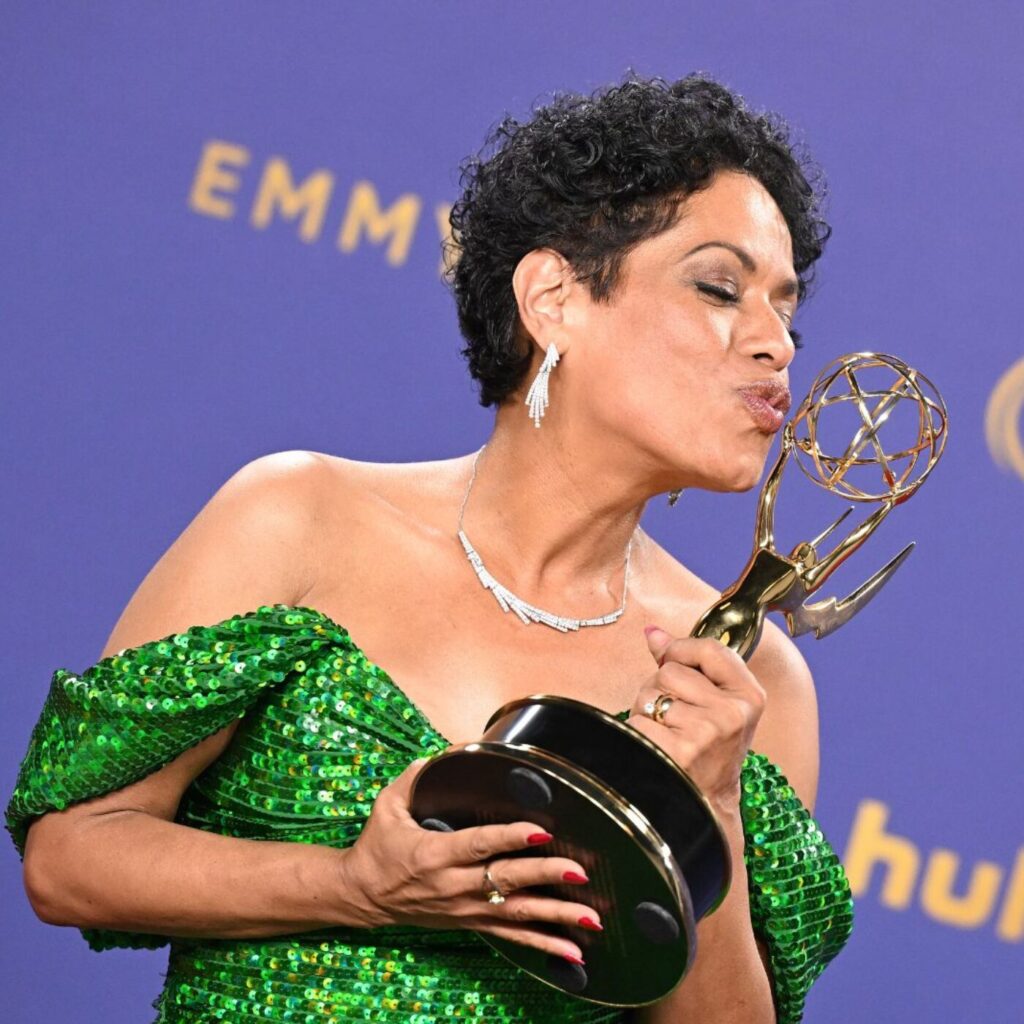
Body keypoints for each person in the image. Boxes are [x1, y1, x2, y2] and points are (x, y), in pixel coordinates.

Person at [7, 73, 853, 1023]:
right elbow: (72, 858)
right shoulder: (299, 518)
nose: (776, 343)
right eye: (718, 288)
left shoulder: (755, 685)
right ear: (553, 298)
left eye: (788, 310)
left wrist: (715, 813)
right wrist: (355, 884)